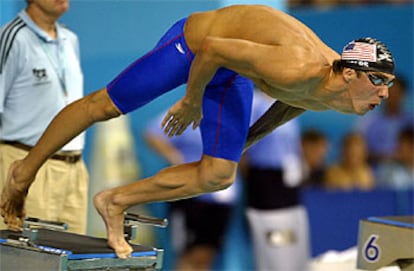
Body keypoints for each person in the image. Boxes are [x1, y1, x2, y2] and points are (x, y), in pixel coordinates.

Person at [1, 4, 396, 258]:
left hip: (233, 66)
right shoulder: (297, 65)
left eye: (388, 84)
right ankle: (24, 172)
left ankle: (114, 201)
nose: (384, 92)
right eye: (378, 80)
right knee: (103, 106)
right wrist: (192, 99)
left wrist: (248, 140)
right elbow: (212, 48)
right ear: (349, 73)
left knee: (219, 174)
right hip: (198, 43)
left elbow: (295, 103)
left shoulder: (339, 95)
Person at [0, 0, 88, 234]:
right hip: (26, 163)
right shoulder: (12, 37)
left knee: (74, 261)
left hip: (74, 168)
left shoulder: (70, 39)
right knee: (25, 261)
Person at [144, 112, 238, 270]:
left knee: (207, 255)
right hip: (192, 197)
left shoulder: (231, 117)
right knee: (190, 254)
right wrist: (176, 159)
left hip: (221, 200)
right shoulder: (192, 113)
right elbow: (153, 134)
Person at [240, 90, 309, 271]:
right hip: (264, 181)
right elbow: (241, 145)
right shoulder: (254, 103)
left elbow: (294, 145)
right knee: (273, 233)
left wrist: (301, 167)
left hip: (288, 181)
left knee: (292, 229)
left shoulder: (288, 102)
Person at [354, 75, 413, 167]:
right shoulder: (369, 121)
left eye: (396, 94)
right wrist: (386, 158)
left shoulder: (410, 122)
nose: (393, 98)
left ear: (404, 94)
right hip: (374, 175)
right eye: (390, 94)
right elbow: (357, 151)